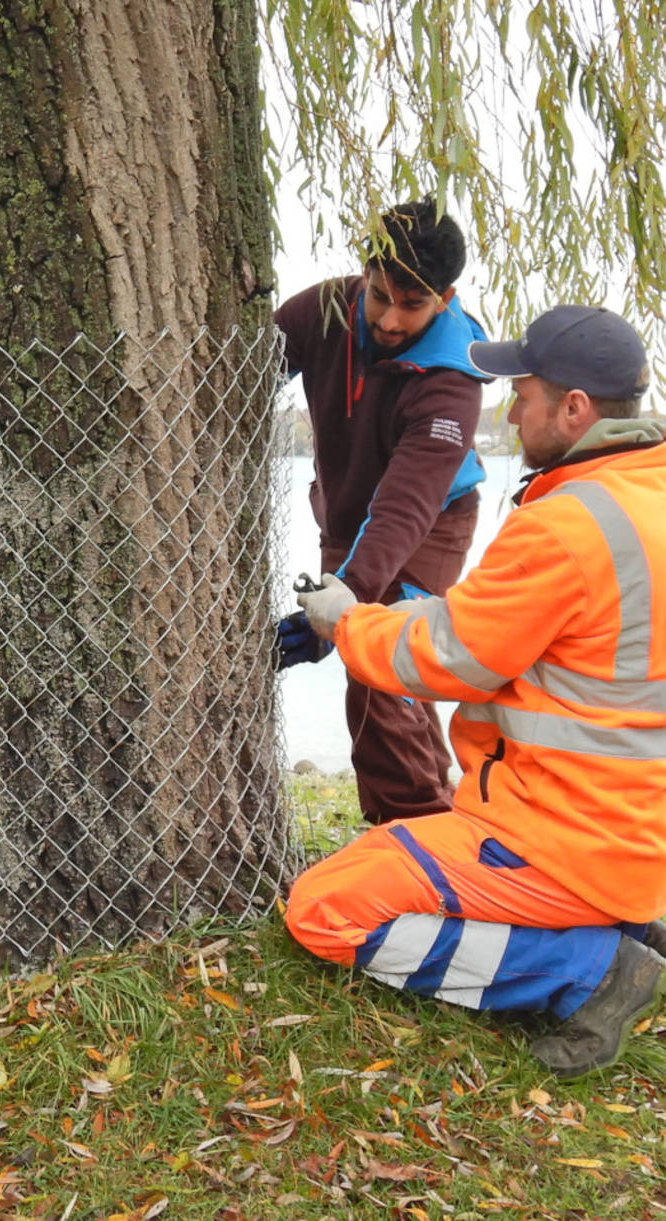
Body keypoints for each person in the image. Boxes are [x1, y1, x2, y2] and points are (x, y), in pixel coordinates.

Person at [285, 304, 666, 1078]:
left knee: (323, 908)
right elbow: (521, 632)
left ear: (573, 408)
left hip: (553, 836)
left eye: (521, 395)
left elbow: (446, 660)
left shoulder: (567, 523)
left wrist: (344, 621)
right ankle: (624, 919)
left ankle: (589, 970)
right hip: (629, 832)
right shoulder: (642, 498)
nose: (509, 411)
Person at [275, 198, 491, 826]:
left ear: (445, 297)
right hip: (344, 515)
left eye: (413, 305)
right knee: (389, 661)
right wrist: (339, 601)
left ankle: (409, 832)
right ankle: (449, 818)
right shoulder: (322, 311)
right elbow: (240, 373)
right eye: (378, 296)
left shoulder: (453, 380)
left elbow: (405, 506)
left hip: (432, 522)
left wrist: (346, 601)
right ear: (363, 275)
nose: (390, 319)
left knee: (381, 663)